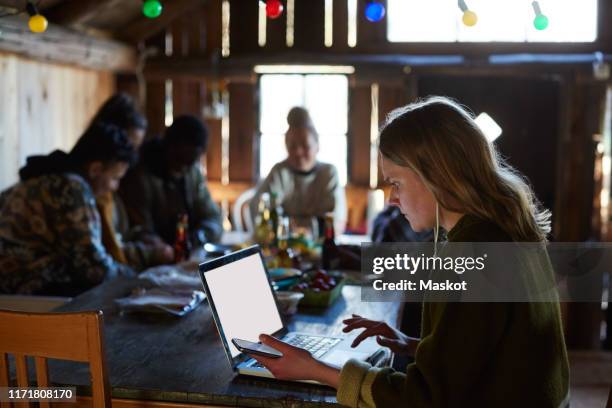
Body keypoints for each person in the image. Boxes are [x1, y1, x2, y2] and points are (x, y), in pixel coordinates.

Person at [247, 97, 569, 407]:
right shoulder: (500, 230)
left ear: (435, 176)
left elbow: (424, 399)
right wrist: (418, 347)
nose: (392, 199)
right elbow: (484, 355)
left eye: (396, 183)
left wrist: (315, 370)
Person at [0, 123, 137, 296]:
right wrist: (136, 279)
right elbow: (92, 266)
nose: (115, 187)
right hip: (17, 286)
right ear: (95, 169)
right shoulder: (71, 188)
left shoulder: (52, 176)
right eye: (115, 178)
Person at [89, 93, 174, 270]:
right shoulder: (93, 188)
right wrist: (150, 253)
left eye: (136, 148)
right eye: (128, 144)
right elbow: (103, 254)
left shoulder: (116, 186)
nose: (132, 155)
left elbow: (124, 232)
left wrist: (144, 236)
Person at [120, 115, 222, 249]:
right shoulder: (141, 177)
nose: (183, 168)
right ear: (168, 146)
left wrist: (200, 236)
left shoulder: (193, 173)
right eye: (179, 159)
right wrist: (163, 250)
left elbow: (213, 217)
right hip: (156, 258)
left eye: (190, 162)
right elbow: (140, 230)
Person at [250, 107, 347, 234]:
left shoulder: (328, 173)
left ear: (317, 146)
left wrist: (303, 231)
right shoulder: (279, 172)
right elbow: (258, 211)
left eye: (305, 145)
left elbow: (336, 220)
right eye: (292, 146)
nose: (298, 152)